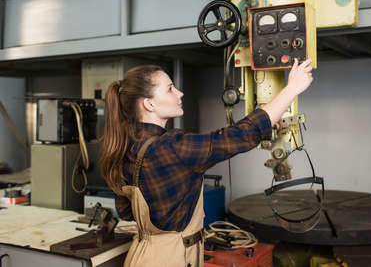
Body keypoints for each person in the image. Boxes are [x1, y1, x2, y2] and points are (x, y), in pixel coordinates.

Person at [101, 58, 313, 267]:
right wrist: (291, 89)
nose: (179, 93)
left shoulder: (125, 147)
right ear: (149, 103)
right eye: (170, 89)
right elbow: (240, 136)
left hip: (143, 255)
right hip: (170, 259)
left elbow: (128, 212)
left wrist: (181, 209)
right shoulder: (171, 147)